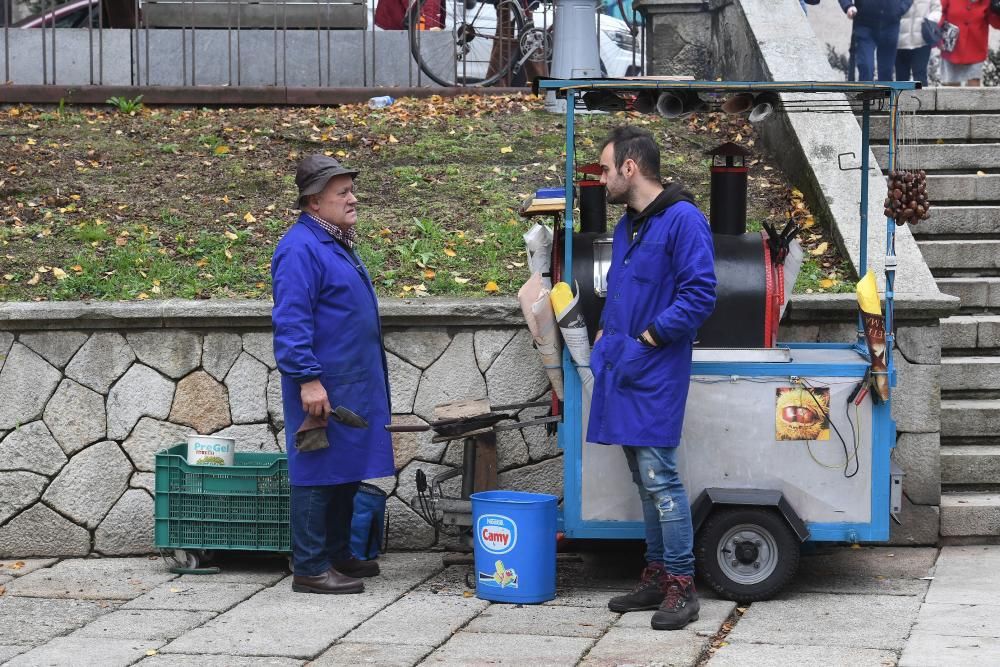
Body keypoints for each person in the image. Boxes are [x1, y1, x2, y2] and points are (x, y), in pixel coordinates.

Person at [588, 127, 717, 631]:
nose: (600, 179)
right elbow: (622, 289)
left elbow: (701, 295)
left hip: (654, 369)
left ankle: (683, 587)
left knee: (661, 476)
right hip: (622, 366)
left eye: (604, 168)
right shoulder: (629, 225)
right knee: (643, 480)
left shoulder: (684, 221)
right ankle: (658, 575)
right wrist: (606, 333)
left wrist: (649, 339)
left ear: (630, 167)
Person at [271, 154, 395, 594]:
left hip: (349, 381)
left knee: (345, 469)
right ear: (313, 201)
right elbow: (291, 320)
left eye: (350, 190)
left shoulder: (332, 240)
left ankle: (339, 555)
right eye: (341, 193)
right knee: (317, 470)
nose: (352, 198)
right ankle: (309, 567)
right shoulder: (298, 249)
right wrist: (307, 378)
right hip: (323, 383)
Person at [840, 0, 914, 80]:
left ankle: (884, 91)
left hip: (890, 26)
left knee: (886, 73)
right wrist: (848, 6)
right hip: (864, 25)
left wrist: (900, 9)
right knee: (866, 68)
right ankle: (866, 91)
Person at [939, 0, 1000, 86]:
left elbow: (996, 24)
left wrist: (996, 10)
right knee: (951, 88)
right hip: (952, 48)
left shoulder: (986, 1)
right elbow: (939, 13)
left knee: (974, 89)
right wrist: (938, 38)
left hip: (975, 48)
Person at [896, 0, 941, 85]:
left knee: (920, 76)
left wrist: (928, 21)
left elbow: (937, 9)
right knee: (901, 78)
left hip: (922, 40)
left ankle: (922, 98)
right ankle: (901, 98)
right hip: (899, 41)